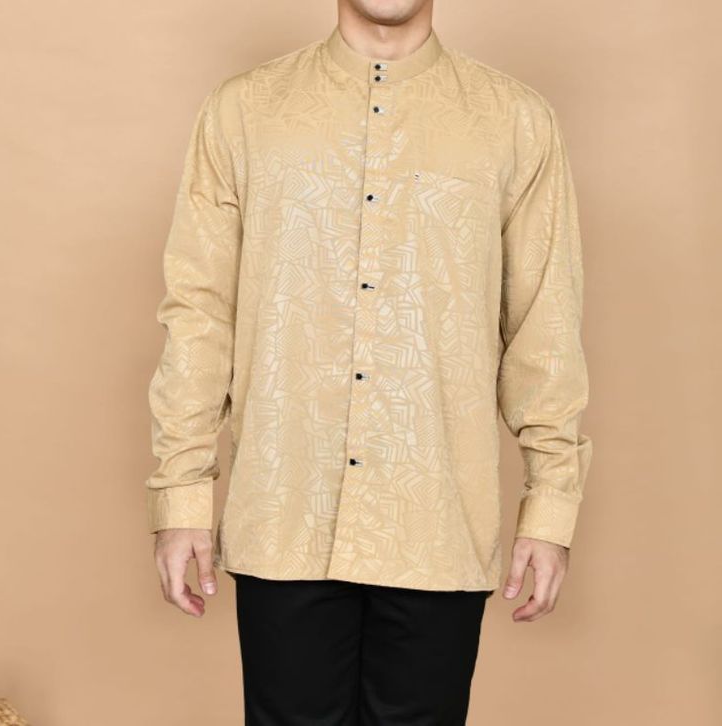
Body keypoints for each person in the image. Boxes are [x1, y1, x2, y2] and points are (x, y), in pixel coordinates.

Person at [145, 0, 593, 723]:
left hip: (437, 521)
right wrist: (182, 494)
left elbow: (546, 326)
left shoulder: (516, 122)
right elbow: (200, 313)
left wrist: (550, 508)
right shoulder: (243, 112)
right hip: (284, 513)